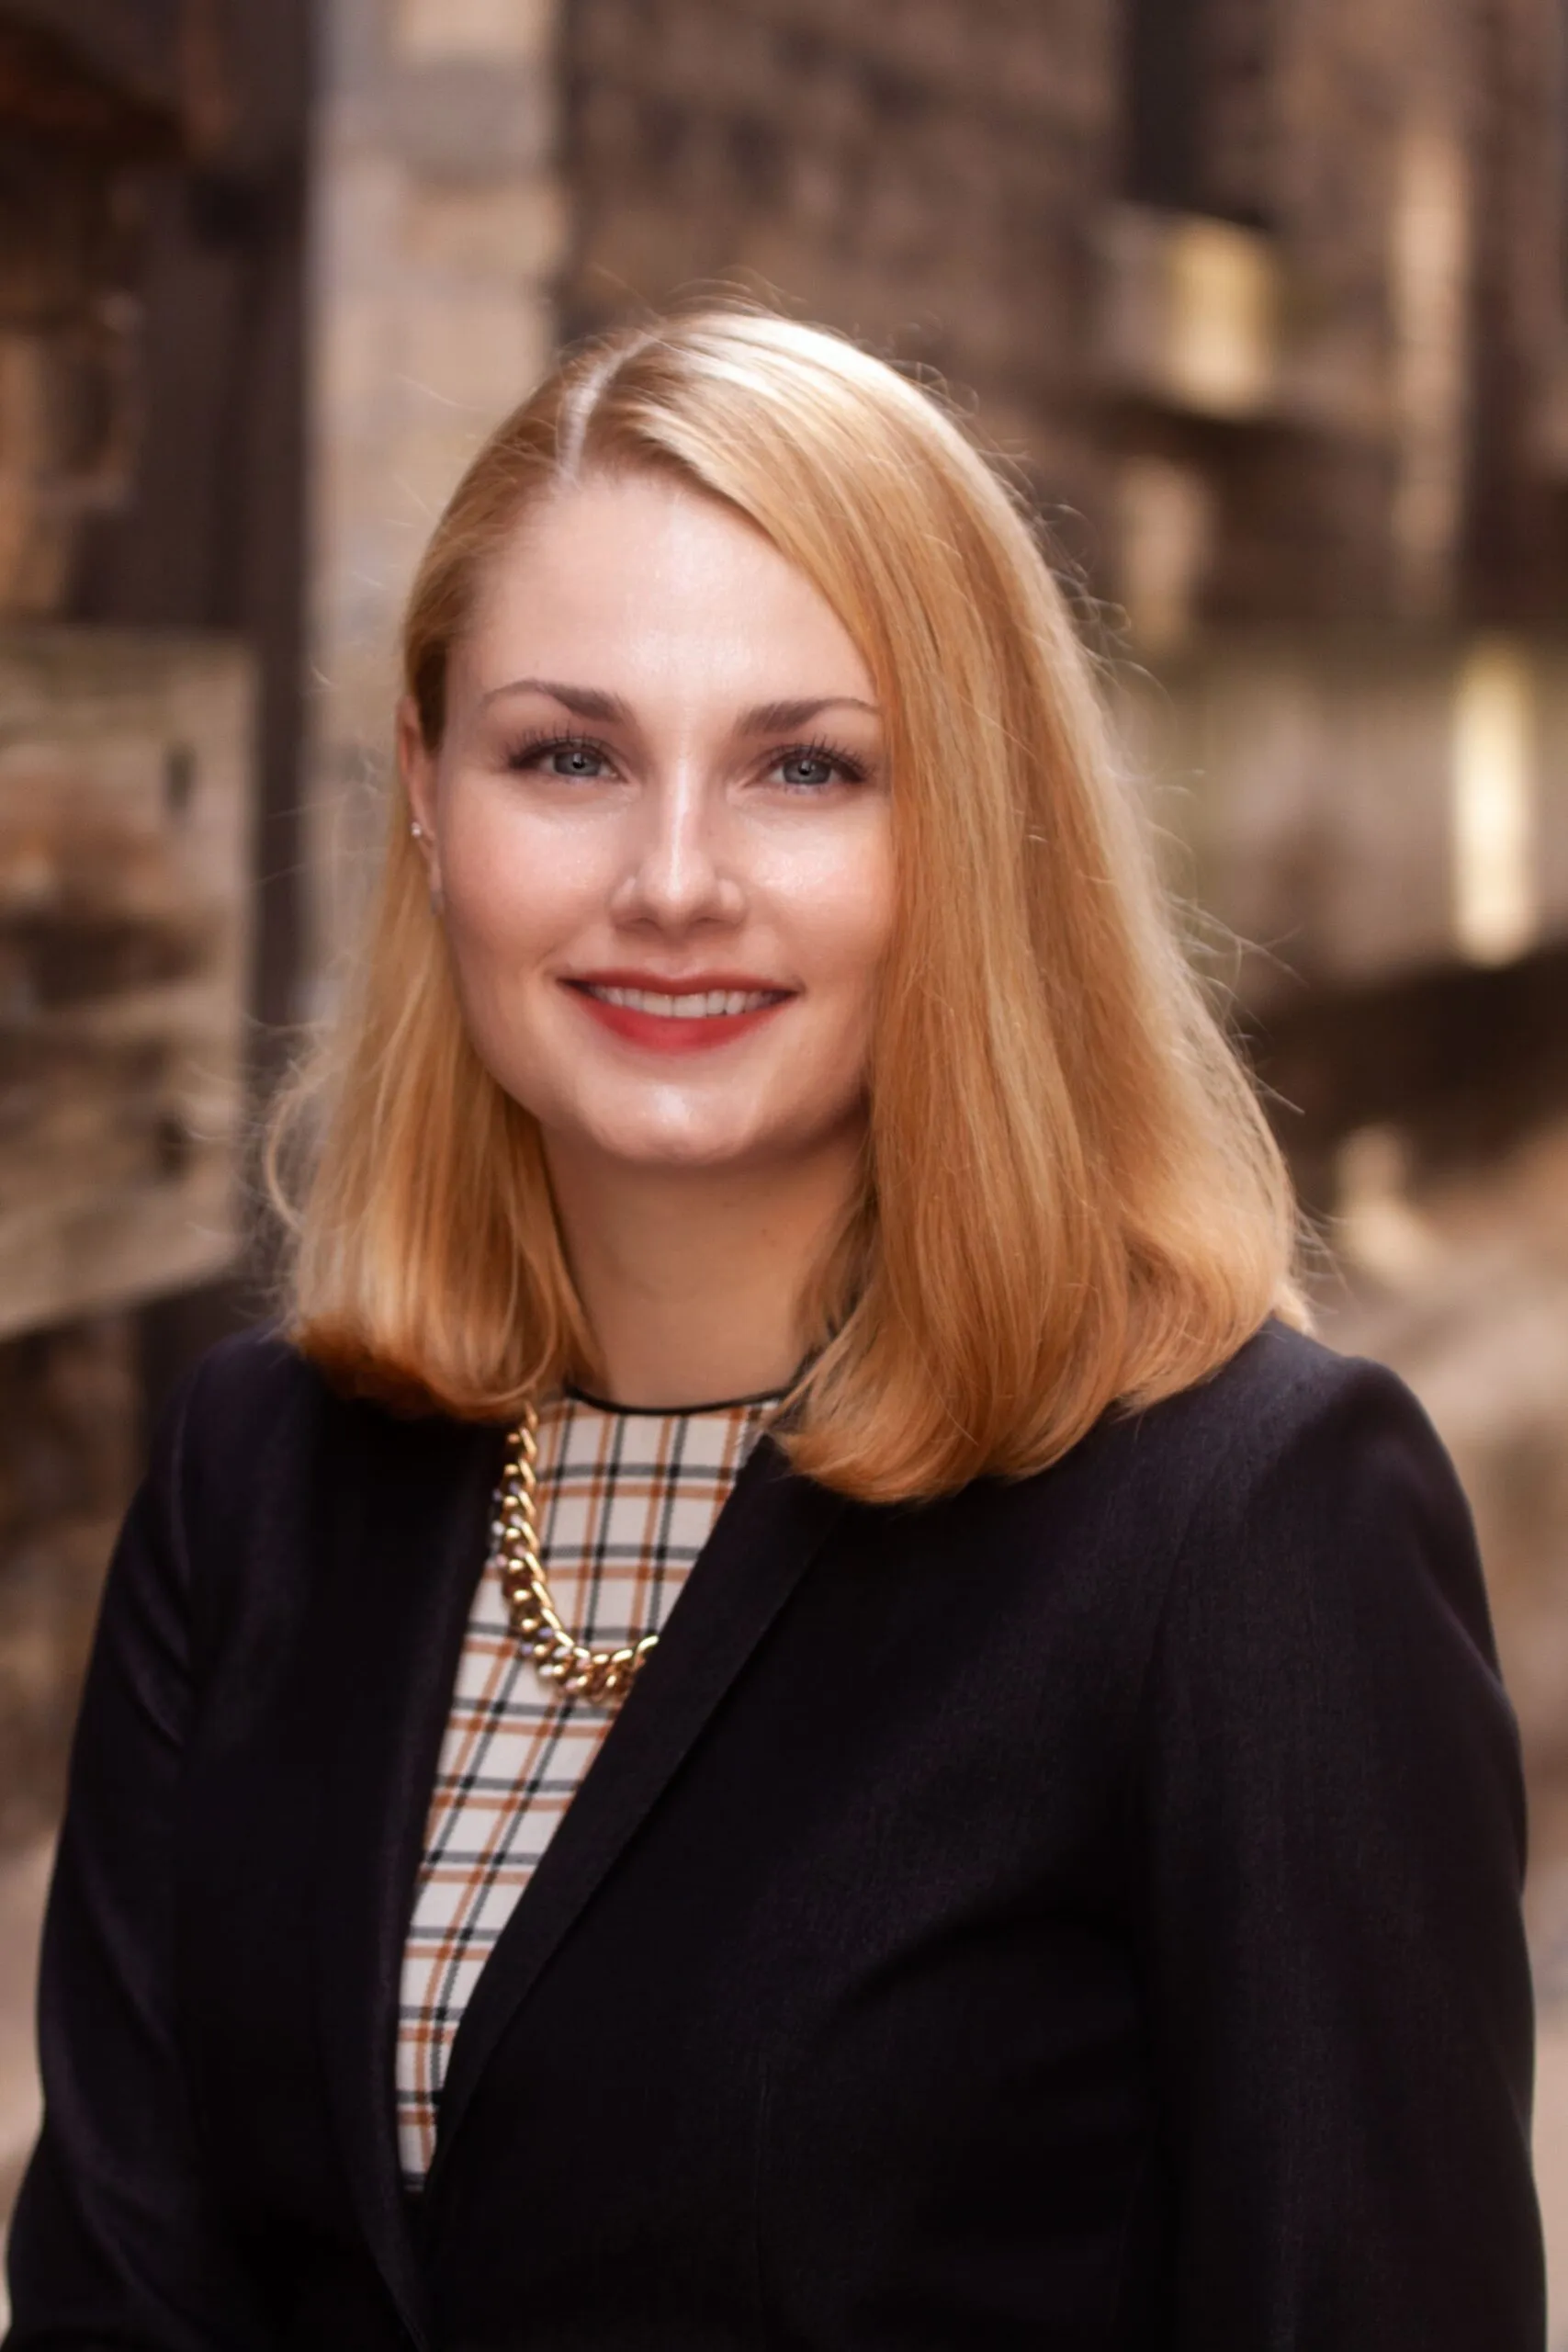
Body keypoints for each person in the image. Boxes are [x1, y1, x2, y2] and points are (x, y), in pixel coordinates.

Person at [4, 309, 1545, 2350]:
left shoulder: (1247, 1531)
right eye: (568, 754)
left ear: (972, 834)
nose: (671, 879)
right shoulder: (250, 1479)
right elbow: (124, 2294)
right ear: (424, 794)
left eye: (804, 768)